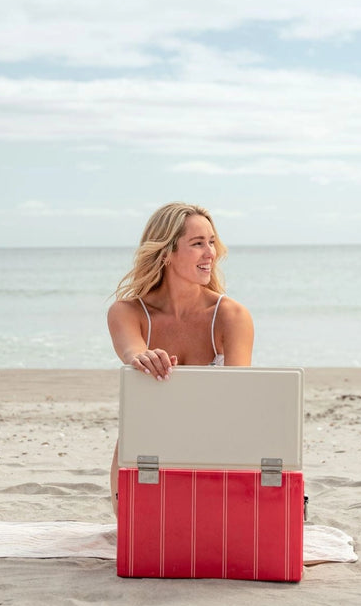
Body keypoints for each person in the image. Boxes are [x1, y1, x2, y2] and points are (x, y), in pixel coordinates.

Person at [106, 202, 254, 507]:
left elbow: (238, 402)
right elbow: (132, 349)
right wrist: (142, 358)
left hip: (215, 446)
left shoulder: (231, 315)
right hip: (148, 450)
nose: (211, 253)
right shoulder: (127, 312)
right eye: (197, 243)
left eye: (211, 242)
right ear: (166, 253)